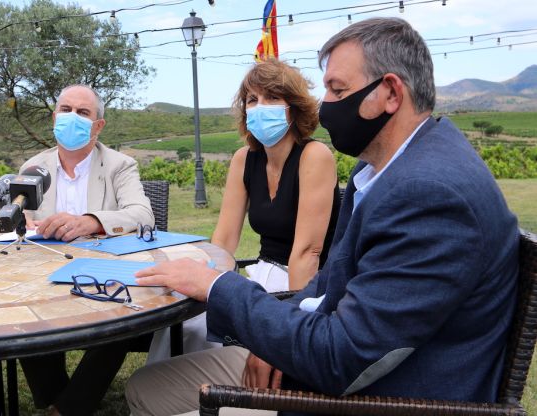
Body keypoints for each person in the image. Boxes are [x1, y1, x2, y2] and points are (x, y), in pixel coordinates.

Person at [126, 17, 519, 416]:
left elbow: (341, 358)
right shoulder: (385, 172)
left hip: (375, 398)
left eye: (337, 89)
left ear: (390, 93)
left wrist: (219, 286)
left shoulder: (429, 194)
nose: (324, 105)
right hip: (329, 367)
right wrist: (273, 340)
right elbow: (328, 288)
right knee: (147, 387)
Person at [145, 58, 340, 364]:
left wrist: (290, 326)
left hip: (304, 284)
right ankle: (178, 394)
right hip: (261, 274)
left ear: (294, 107)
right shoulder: (244, 159)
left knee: (214, 320)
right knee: (186, 317)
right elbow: (223, 238)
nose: (260, 106)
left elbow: (308, 253)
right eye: (252, 99)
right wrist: (206, 282)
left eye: (272, 97)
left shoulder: (314, 156)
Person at [18, 84, 154, 416]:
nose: (72, 118)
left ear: (98, 125)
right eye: (65, 110)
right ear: (54, 117)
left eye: (83, 113)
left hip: (104, 271)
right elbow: (16, 219)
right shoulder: (33, 167)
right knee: (21, 314)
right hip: (43, 272)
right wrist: (22, 221)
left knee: (121, 315)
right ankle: (56, 397)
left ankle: (68, 409)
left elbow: (142, 215)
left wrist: (91, 221)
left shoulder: (119, 165)